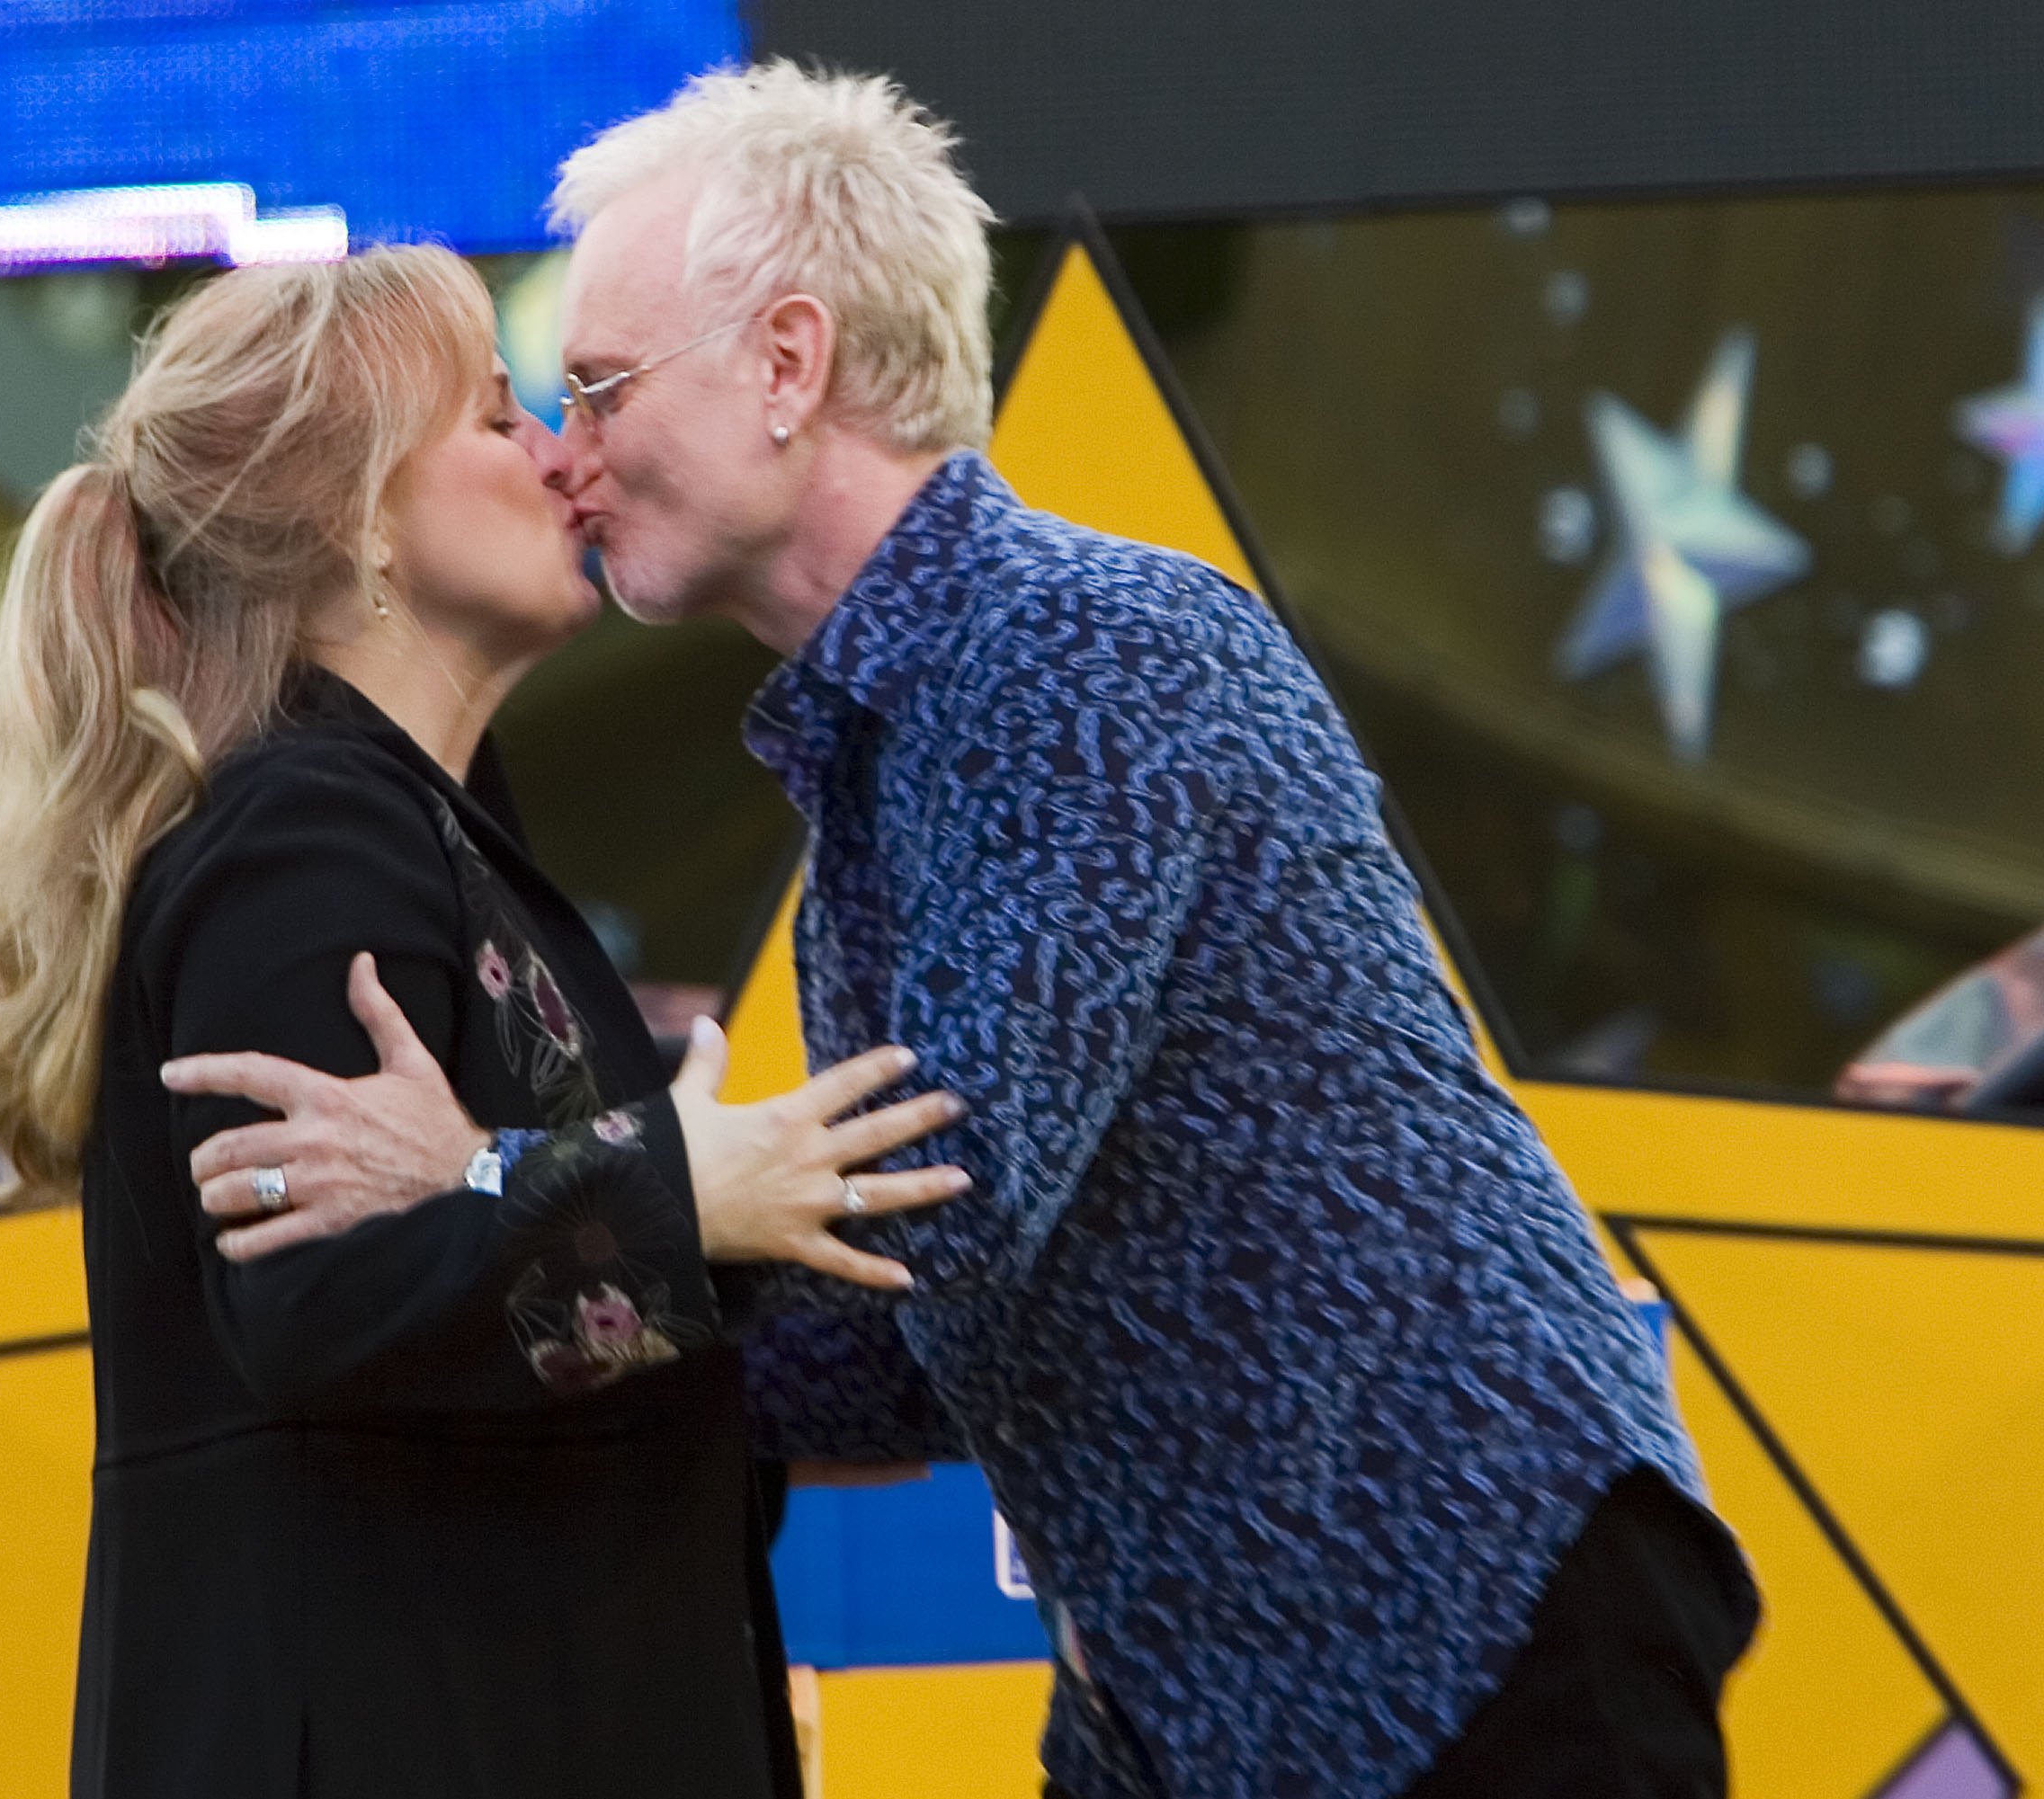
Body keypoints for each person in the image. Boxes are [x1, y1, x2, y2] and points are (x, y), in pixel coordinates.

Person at [165, 64, 1764, 1799]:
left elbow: (956, 1211)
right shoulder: (904, 734)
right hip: (1221, 1697)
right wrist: (546, 1289)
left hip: (1471, 1626)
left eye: (603, 384)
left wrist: (491, 1189)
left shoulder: (1071, 656)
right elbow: (896, 1333)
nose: (571, 449)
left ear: (788, 365)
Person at [0, 243, 970, 1799]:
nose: (565, 453)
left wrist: (547, 1181)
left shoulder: (406, 833)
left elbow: (501, 1270)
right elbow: (319, 1302)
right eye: (501, 420)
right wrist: (687, 1182)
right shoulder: (301, 839)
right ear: (360, 519)